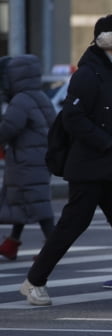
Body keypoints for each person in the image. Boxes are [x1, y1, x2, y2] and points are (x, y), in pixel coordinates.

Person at [20, 13, 112, 305]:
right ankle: (34, 281)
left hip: (110, 166)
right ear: (106, 39)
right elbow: (73, 117)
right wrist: (107, 142)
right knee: (72, 225)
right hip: (88, 167)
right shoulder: (87, 74)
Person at [0, 55, 55, 260]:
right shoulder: (41, 96)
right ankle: (12, 243)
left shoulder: (20, 100)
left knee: (37, 203)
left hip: (25, 159)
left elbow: (9, 128)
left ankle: (52, 247)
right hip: (40, 157)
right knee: (24, 199)